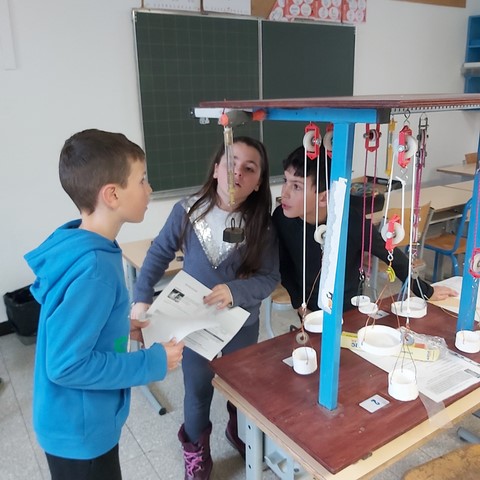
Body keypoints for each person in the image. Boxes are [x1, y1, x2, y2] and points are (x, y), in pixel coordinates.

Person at [24, 129, 184, 480]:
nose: (150, 189)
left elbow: (74, 321)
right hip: (79, 433)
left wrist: (119, 326)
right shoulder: (95, 268)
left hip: (75, 420)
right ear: (112, 194)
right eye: (142, 180)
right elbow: (66, 365)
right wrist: (153, 361)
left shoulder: (81, 243)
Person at [130, 136, 280, 480]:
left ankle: (239, 431)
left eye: (249, 168)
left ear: (259, 183)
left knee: (241, 388)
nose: (237, 173)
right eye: (231, 163)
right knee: (197, 390)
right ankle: (196, 453)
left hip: (240, 327)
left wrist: (235, 291)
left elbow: (270, 278)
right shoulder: (188, 211)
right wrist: (141, 297)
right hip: (194, 327)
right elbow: (158, 254)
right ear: (215, 169)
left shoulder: (262, 225)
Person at [272, 145, 458, 318]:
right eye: (285, 181)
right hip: (307, 305)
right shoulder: (281, 217)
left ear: (324, 198)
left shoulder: (350, 221)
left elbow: (391, 255)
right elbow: (284, 265)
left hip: (346, 306)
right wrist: (300, 305)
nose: (284, 193)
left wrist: (426, 291)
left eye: (296, 186)